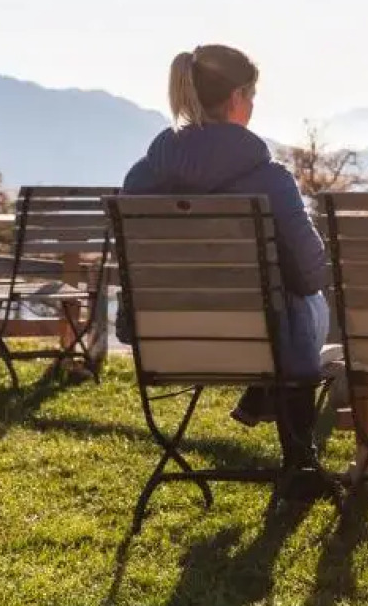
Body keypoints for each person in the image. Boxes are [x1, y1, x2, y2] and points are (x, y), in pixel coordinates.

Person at [117, 44, 335, 502]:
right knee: (303, 301)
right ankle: (299, 455)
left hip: (169, 340)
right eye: (251, 96)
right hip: (264, 343)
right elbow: (312, 272)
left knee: (285, 303)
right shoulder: (270, 179)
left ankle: (265, 398)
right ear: (237, 98)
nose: (252, 107)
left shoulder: (139, 180)